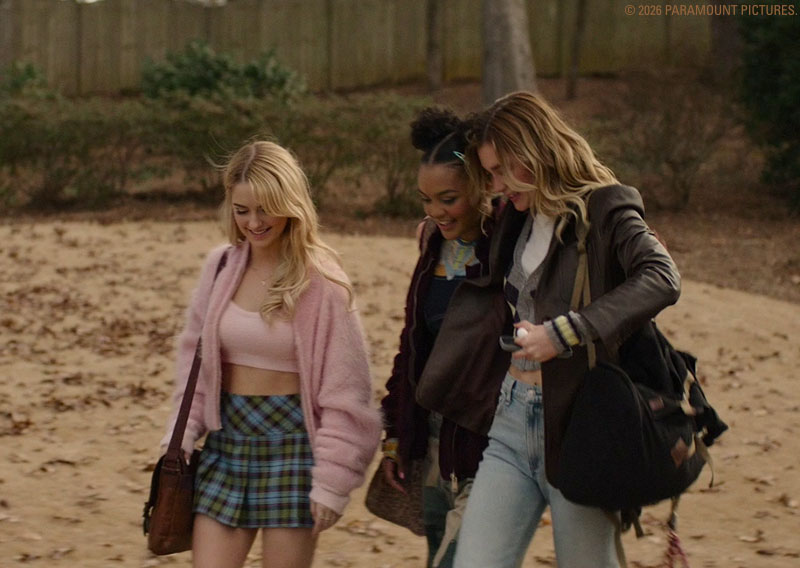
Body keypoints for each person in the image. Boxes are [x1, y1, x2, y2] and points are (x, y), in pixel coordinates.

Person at [452, 91, 682, 568]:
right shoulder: (517, 215)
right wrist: (439, 232)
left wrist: (564, 333)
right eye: (490, 174)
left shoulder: (607, 208)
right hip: (512, 420)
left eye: (501, 170)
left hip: (580, 427)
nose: (496, 185)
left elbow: (662, 277)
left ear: (534, 152)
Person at [160, 140, 382, 568]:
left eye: (266, 209)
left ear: (290, 204)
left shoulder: (323, 283)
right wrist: (181, 436)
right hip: (227, 443)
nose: (254, 222)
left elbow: (347, 391)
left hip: (294, 449)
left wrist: (333, 482)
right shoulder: (220, 267)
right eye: (242, 210)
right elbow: (194, 361)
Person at [379, 107, 495, 568]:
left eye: (448, 199)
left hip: (489, 443)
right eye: (426, 200)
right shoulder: (432, 245)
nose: (435, 211)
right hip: (431, 443)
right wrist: (396, 434)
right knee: (438, 557)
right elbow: (412, 348)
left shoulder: (509, 246)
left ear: (482, 186)